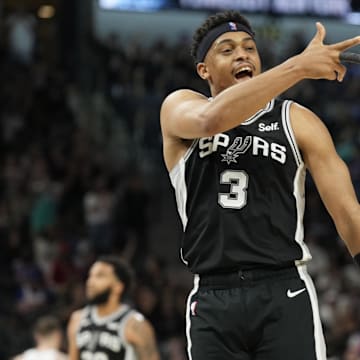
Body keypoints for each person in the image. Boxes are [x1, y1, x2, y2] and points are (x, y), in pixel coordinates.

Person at [160, 10, 360, 360]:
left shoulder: (297, 120)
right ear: (203, 70)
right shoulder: (181, 106)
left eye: (250, 48)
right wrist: (299, 66)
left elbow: (347, 214)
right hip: (212, 295)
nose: (242, 54)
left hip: (284, 290)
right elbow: (211, 120)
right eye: (227, 49)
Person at [67, 256, 160, 360]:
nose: (90, 282)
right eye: (90, 276)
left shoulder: (136, 324)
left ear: (118, 287)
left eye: (100, 276)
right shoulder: (77, 319)